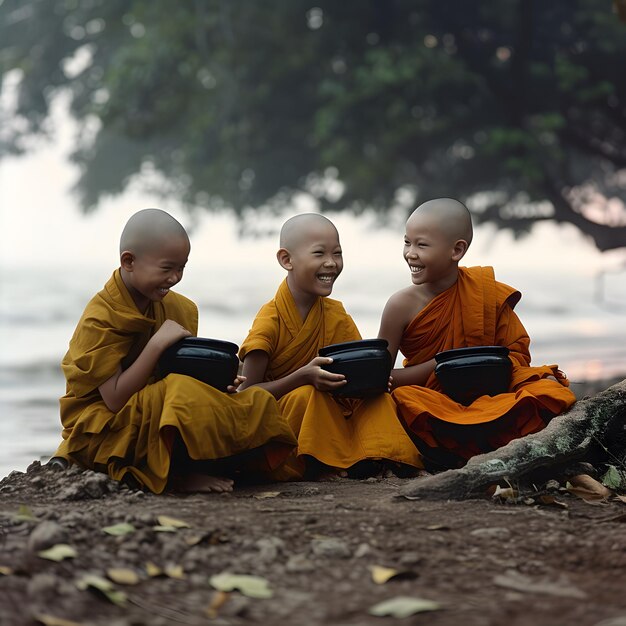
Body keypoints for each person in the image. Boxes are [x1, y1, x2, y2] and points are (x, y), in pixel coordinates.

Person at [52, 208, 297, 493]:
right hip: (103, 424)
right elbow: (115, 399)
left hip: (159, 406)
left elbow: (177, 373)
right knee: (181, 393)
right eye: (167, 268)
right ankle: (179, 477)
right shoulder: (102, 317)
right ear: (129, 261)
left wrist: (217, 384)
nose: (175, 278)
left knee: (255, 401)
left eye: (182, 268)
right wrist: (157, 344)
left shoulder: (179, 308)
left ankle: (211, 466)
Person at [377, 198, 577, 471]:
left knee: (547, 386)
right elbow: (381, 377)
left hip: (490, 392)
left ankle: (461, 447)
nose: (410, 253)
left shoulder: (485, 293)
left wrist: (478, 368)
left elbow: (516, 355)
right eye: (407, 242)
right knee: (404, 401)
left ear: (457, 250)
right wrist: (441, 365)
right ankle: (458, 448)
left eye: (421, 245)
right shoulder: (400, 305)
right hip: (433, 397)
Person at [238, 213, 423, 479]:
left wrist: (370, 380)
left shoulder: (335, 314)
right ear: (286, 260)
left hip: (330, 412)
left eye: (337, 253)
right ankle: (320, 463)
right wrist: (302, 378)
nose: (331, 263)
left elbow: (351, 372)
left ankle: (387, 459)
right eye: (319, 254)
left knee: (378, 398)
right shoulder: (270, 320)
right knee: (307, 395)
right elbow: (248, 396)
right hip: (284, 422)